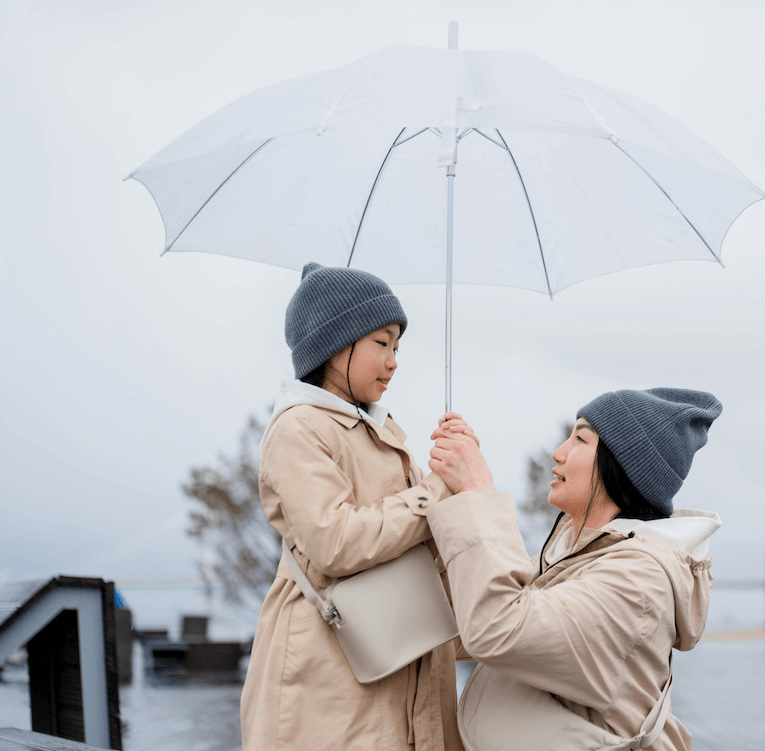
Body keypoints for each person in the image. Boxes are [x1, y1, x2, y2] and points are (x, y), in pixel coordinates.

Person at [425, 388, 722, 751]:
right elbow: (458, 629)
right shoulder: (569, 557)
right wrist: (445, 507)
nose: (558, 452)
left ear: (621, 467)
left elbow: (498, 628)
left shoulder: (638, 582)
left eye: (580, 438)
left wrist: (478, 493)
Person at [241, 263, 462, 751]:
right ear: (334, 344)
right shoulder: (299, 428)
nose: (393, 362)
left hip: (392, 657)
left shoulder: (378, 432)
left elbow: (426, 536)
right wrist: (435, 489)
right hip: (327, 670)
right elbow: (335, 542)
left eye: (397, 347)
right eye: (381, 344)